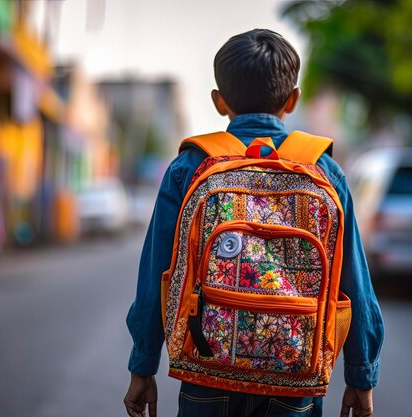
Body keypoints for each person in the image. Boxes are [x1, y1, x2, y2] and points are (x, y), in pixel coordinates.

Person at [124, 29, 384, 417]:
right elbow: (354, 282)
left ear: (219, 102)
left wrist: (142, 365)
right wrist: (361, 376)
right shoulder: (325, 170)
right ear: (292, 100)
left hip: (206, 367)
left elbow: (155, 272)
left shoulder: (190, 167)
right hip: (296, 370)